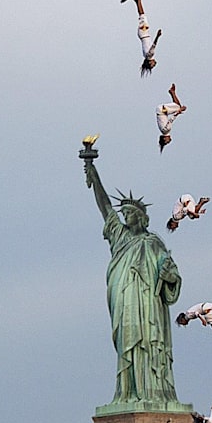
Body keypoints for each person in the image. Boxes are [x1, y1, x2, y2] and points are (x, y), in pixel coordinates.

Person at [82, 145, 183, 407]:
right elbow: (106, 209)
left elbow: (170, 277)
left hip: (148, 303)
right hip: (125, 299)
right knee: (129, 340)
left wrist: (170, 276)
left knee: (149, 342)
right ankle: (128, 392)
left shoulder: (153, 243)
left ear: (143, 218)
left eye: (131, 214)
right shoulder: (120, 237)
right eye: (125, 214)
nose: (126, 218)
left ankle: (154, 392)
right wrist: (95, 176)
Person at [156, 83, 184, 151]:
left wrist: (178, 112)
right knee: (177, 106)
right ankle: (172, 92)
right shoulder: (163, 131)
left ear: (164, 139)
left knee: (178, 107)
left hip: (162, 111)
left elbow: (171, 120)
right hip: (161, 111)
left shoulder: (166, 130)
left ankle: (172, 92)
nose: (170, 140)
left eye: (167, 141)